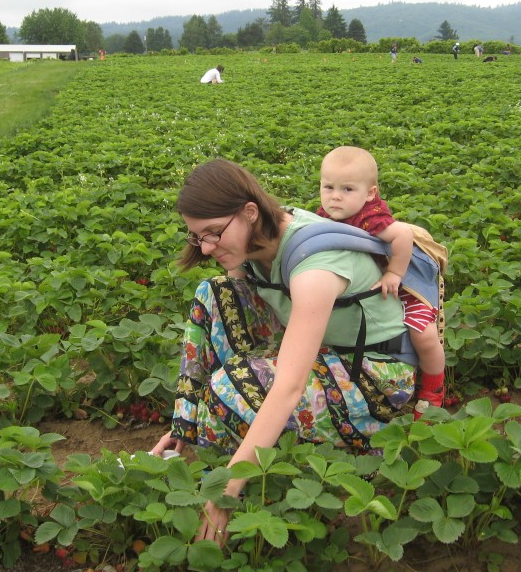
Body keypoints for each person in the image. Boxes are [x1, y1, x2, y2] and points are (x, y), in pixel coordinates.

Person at [151, 159, 416, 544]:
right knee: (213, 294)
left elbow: (289, 387)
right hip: (326, 354)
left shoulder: (315, 269)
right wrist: (185, 420)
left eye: (213, 233)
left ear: (250, 213)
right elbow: (221, 316)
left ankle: (367, 441)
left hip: (377, 377)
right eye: (197, 237)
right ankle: (192, 431)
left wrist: (227, 492)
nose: (206, 248)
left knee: (230, 389)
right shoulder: (263, 237)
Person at [316, 147, 446, 420]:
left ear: (370, 194)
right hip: (366, 284)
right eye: (328, 187)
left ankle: (434, 387)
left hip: (406, 282)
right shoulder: (325, 215)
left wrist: (394, 274)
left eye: (348, 189)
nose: (335, 196)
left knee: (423, 332)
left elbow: (401, 235)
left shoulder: (369, 217)